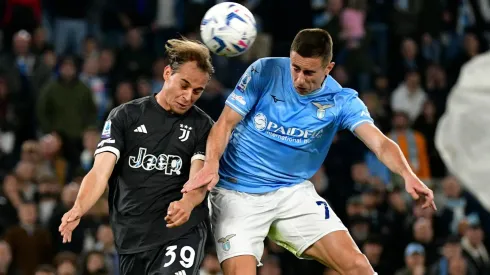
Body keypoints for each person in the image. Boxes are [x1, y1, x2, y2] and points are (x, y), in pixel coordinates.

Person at [182, 28, 437, 275]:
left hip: (292, 192)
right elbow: (225, 123)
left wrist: (407, 174)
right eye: (295, 68)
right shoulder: (265, 71)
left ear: (329, 68)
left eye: (309, 72)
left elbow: (380, 143)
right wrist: (212, 164)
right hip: (236, 192)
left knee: (359, 268)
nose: (299, 79)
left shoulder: (341, 101)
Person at [59, 38, 215, 275]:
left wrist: (187, 202)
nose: (188, 96)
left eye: (197, 91)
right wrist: (78, 208)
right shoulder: (125, 116)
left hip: (181, 233)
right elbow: (101, 172)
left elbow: (199, 177)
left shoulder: (202, 125)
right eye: (184, 85)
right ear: (166, 74)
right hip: (132, 237)